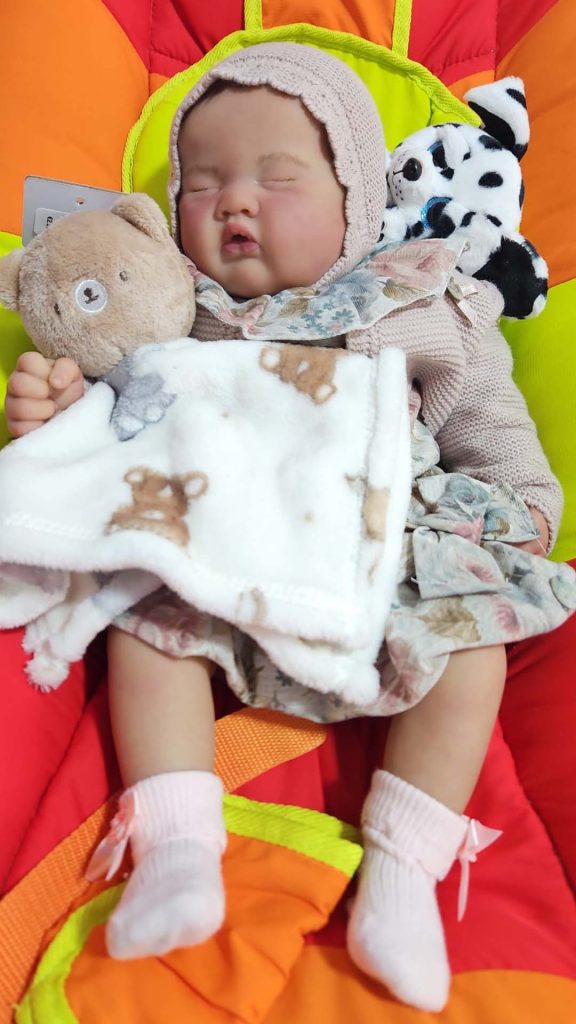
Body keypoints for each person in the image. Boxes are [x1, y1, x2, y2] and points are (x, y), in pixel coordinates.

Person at [3, 43, 573, 1012]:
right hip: (226, 545)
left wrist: (521, 503)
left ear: (356, 201)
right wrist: (55, 416)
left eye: (276, 179)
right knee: (147, 630)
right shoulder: (179, 314)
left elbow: (487, 414)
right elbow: (123, 417)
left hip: (382, 546)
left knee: (470, 650)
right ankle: (177, 852)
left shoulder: (415, 300)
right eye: (203, 183)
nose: (234, 202)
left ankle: (403, 872)